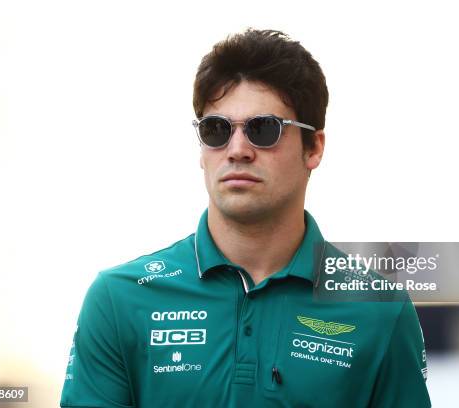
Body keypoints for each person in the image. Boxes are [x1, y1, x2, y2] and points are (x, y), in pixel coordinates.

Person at [60, 28, 431, 408]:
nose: (237, 150)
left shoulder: (381, 310)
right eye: (216, 130)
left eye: (263, 129)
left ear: (314, 147)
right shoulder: (120, 298)